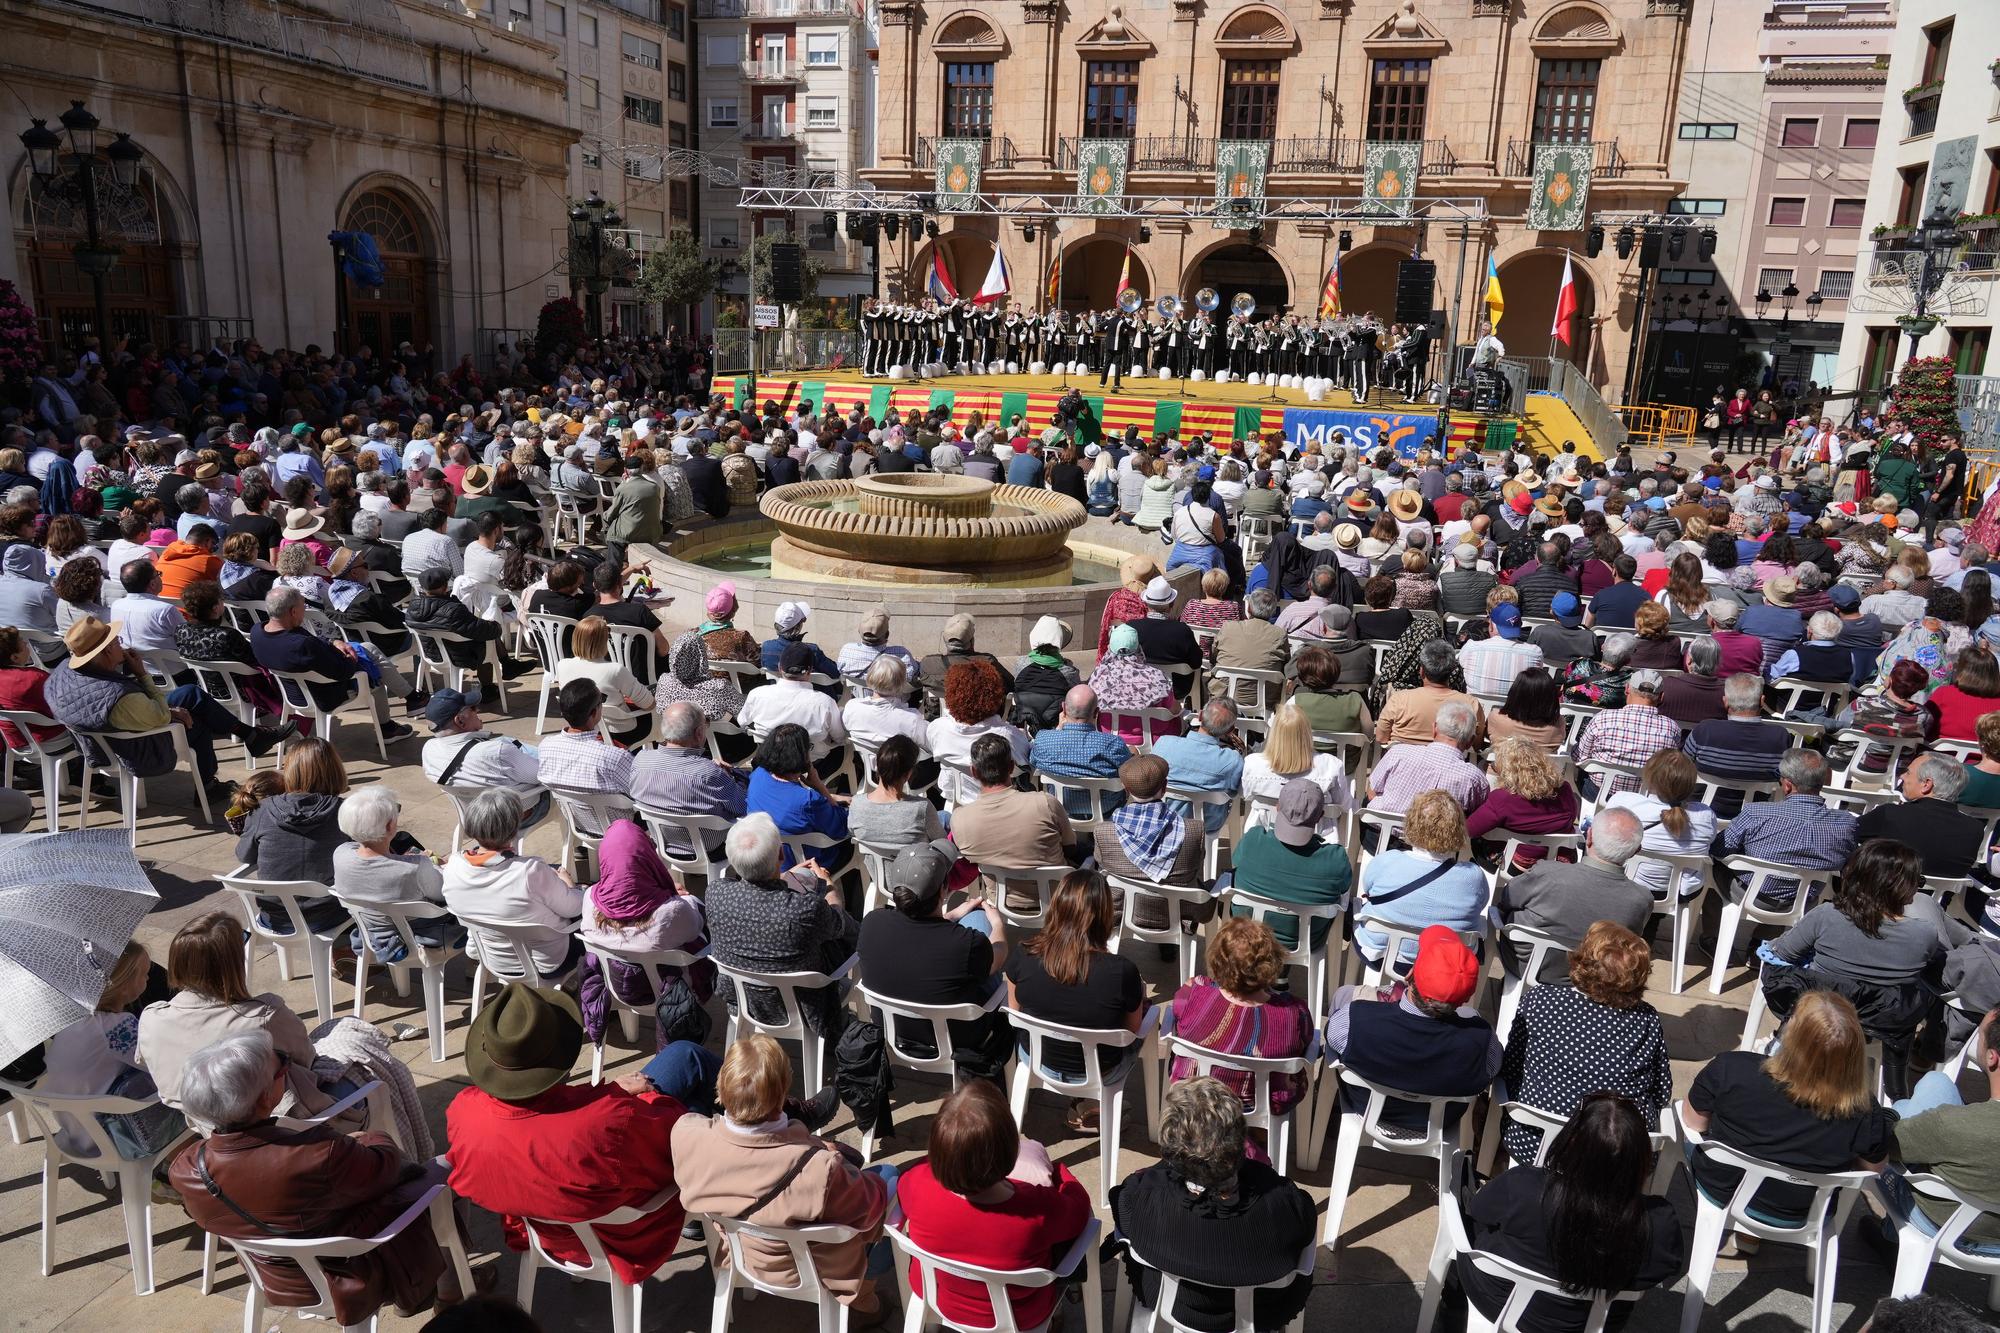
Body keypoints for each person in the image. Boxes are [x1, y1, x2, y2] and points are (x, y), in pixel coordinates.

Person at [168, 1032, 458, 1324]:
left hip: (279, 1282)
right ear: (265, 1097)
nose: (288, 1065)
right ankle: (450, 1291)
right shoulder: (322, 1154)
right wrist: (370, 1137)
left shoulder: (186, 1170)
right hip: (359, 1270)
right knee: (448, 1169)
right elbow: (387, 1165)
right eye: (282, 1065)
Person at [446, 984, 701, 1294]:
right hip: (622, 1239)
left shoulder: (464, 1112)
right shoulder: (609, 1122)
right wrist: (645, 1098)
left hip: (543, 1234)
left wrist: (610, 1095)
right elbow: (677, 1142)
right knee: (687, 1057)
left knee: (684, 1057)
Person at [671, 1034, 894, 1324]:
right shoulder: (820, 1168)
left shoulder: (686, 1135)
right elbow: (869, 1212)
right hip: (813, 1267)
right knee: (889, 1180)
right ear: (782, 1097)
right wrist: (825, 1154)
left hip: (741, 1257)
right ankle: (863, 1295)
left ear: (721, 1088)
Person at [1460, 1091, 1684, 1333]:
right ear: (1641, 1158)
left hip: (1497, 1300)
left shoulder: (1522, 1186)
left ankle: (1450, 1309)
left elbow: (1478, 1210)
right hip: (1592, 1323)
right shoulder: (1659, 1222)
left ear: (1571, 1142)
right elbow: (1663, 1268)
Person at [1109, 1077, 1316, 1331]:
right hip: (1260, 1312)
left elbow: (1121, 1204)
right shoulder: (1282, 1204)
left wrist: (1158, 1171)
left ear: (1171, 1149)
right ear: (1241, 1142)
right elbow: (1306, 1225)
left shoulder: (1143, 1198)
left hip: (1171, 1302)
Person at [896, 1079, 1091, 1330]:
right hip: (1021, 1314)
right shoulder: (1039, 1208)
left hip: (940, 1298)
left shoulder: (916, 1183)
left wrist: (948, 1154)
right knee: (1067, 1241)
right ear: (1011, 1152)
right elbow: (1079, 1210)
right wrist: (1060, 1173)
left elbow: (913, 1179)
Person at [135, 912, 356, 1132]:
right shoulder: (263, 1016)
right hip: (279, 1125)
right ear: (232, 963)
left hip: (205, 1129)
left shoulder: (152, 1019)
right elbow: (307, 1058)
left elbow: (145, 1062)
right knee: (353, 1041)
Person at [1682, 990, 1892, 1220]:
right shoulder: (1865, 1112)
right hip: (1803, 1211)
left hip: (1721, 1190)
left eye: (1791, 1017)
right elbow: (1871, 1171)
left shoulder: (1731, 1069)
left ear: (1793, 1036)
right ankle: (1749, 1236)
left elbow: (1694, 1123)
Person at [1495, 924, 1673, 1168]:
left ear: (1582, 961)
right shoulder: (1647, 1019)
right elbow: (1662, 1092)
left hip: (1535, 1144)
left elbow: (1511, 1066)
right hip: (1615, 1160)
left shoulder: (1540, 999)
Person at [1325, 925, 1501, 1131]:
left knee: (1344, 994)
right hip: (1437, 1124)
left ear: (1409, 975)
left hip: (1364, 1108)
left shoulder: (1355, 1020)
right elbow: (1493, 1069)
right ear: (1465, 999)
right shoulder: (1482, 1043)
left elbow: (1332, 1036)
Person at [706, 812, 860, 1042]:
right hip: (804, 1008)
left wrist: (785, 876)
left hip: (742, 1000)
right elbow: (840, 923)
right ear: (780, 854)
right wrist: (829, 887)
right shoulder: (805, 909)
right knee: (848, 933)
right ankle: (838, 1030)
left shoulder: (715, 893)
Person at [858, 843, 1011, 1073]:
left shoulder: (872, 923)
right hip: (958, 1038)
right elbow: (998, 955)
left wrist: (950, 916)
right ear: (943, 890)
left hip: (893, 1031)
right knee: (981, 922)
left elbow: (919, 941)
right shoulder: (965, 944)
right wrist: (997, 922)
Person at [1876, 1009, 2000, 1261]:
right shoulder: (1957, 1125)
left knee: (1902, 1113)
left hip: (1940, 1223)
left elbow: (1882, 1144)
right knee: (1937, 1082)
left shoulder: (1954, 1125)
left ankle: (1890, 1239)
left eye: (1980, 1033)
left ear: (1991, 1057)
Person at [1165, 917, 1314, 1113]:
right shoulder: (1294, 1012)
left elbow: (1176, 1012)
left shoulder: (1193, 993)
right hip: (1264, 1102)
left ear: (1217, 960)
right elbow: (1307, 1042)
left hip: (1194, 1092)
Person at [441, 788, 585, 981]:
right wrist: (571, 886)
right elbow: (574, 908)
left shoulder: (454, 866)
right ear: (514, 826)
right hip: (548, 963)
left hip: (493, 960)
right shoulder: (530, 871)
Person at [1495, 807, 1652, 980]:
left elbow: (1508, 899)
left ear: (1589, 836)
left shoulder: (1547, 873)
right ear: (1636, 851)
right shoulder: (1641, 900)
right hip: (1595, 979)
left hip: (1528, 966)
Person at [1353, 790, 1490, 968]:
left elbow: (1369, 889)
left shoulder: (1387, 861)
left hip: (1384, 955)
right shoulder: (1473, 876)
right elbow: (1481, 904)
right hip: (1446, 966)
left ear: (1411, 823)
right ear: (1458, 829)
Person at [1711, 747, 1858, 907]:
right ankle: (1772, 927)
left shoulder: (1756, 813)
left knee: (1710, 862)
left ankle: (1710, 931)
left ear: (1787, 785)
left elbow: (1719, 849)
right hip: (1803, 903)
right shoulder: (1845, 824)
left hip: (1750, 897)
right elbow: (1847, 864)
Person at [333, 784, 461, 960]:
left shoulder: (340, 854)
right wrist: (435, 865)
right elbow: (444, 893)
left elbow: (373, 865)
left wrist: (401, 859)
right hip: (418, 936)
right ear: (389, 826)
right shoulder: (415, 867)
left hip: (371, 934)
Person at [1602, 750, 1717, 900]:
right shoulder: (1706, 815)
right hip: (1680, 894)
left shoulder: (1624, 802)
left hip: (1628, 883)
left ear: (1650, 777)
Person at [1855, 753, 1987, 880]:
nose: (1902, 777)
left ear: (1926, 784)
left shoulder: (1890, 815)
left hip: (1880, 898)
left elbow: (1845, 834)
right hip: (1934, 902)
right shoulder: (1975, 830)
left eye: (1908, 773)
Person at [1466, 737, 1582, 874]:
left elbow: (1469, 830)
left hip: (1516, 866)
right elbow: (1572, 818)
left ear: (1507, 769)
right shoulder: (1565, 789)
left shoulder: (1501, 799)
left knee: (1476, 841)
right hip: (1558, 863)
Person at [1681, 672, 1789, 816]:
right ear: (1762, 701)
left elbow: (1683, 768)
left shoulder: (1704, 730)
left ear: (1725, 701)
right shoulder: (1780, 737)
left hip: (1702, 811)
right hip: (1757, 815)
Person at [927, 658, 1030, 807]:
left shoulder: (937, 728)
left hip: (955, 805)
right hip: (1000, 806)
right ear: (994, 695)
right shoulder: (1006, 735)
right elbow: (1024, 762)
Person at [1029, 684, 1133, 819]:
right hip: (1106, 809)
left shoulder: (1043, 739)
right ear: (1096, 713)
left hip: (1058, 807)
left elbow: (1032, 761)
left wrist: (1059, 728)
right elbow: (1130, 772)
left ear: (1064, 708)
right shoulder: (1113, 744)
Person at [1241, 698, 1353, 822]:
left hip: (1263, 833)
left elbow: (1245, 795)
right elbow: (1344, 805)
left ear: (1274, 733)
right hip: (1315, 835)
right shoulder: (1331, 766)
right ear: (1307, 733)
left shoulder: (1252, 764)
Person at [1368, 700, 1490, 813]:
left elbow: (1372, 792)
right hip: (1437, 836)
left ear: (1434, 729)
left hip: (1379, 832)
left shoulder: (1398, 752)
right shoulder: (1474, 779)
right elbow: (1476, 818)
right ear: (1470, 741)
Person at [1573, 669, 1680, 798]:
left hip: (1598, 794)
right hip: (1643, 798)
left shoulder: (1603, 718)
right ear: (1661, 696)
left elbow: (1579, 757)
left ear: (1627, 689)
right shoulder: (1672, 728)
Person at [742, 641, 849, 765]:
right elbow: (839, 738)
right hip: (810, 765)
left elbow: (743, 721)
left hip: (769, 761)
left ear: (779, 668)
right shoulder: (825, 703)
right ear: (810, 671)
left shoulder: (757, 694)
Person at [1150, 698, 1246, 835]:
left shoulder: (1163, 743)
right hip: (1207, 824)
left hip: (1163, 817)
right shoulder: (1232, 760)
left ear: (1200, 716)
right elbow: (1234, 792)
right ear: (1230, 730)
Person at [554, 615, 653, 746]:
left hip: (584, 727)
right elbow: (648, 704)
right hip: (619, 730)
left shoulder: (562, 665)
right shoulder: (615, 670)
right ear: (603, 641)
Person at [537, 679, 636, 797]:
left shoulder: (545, 747)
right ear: (594, 713)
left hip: (573, 814)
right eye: (602, 700)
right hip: (622, 815)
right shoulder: (615, 757)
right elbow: (641, 793)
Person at [1375, 639, 1483, 747]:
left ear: (1421, 671)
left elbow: (1381, 737)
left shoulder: (1399, 699)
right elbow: (1476, 744)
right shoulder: (1470, 704)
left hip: (1403, 760)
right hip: (1445, 762)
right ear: (1451, 671)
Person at [1089, 622, 1181, 749]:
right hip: (1155, 742)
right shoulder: (1157, 677)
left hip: (1108, 737)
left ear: (1110, 647)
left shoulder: (1098, 677)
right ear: (1138, 647)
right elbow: (1174, 710)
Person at [847, 735, 948, 850]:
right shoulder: (922, 808)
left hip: (876, 867)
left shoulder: (856, 804)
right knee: (945, 817)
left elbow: (852, 831)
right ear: (908, 774)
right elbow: (942, 843)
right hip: (915, 866)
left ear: (876, 764)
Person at [654, 628, 745, 729]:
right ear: (701, 656)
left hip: (674, 736)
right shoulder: (719, 688)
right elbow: (744, 714)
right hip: (713, 742)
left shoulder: (664, 681)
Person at [1927, 643, 2000, 741]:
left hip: (1942, 753)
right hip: (1987, 754)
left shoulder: (1944, 693)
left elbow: (1924, 721)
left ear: (1962, 669)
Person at [1485, 665, 1566, 749]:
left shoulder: (1496, 718)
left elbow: (1486, 738)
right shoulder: (1558, 724)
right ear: (1551, 697)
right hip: (1540, 762)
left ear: (1515, 693)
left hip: (1502, 761)